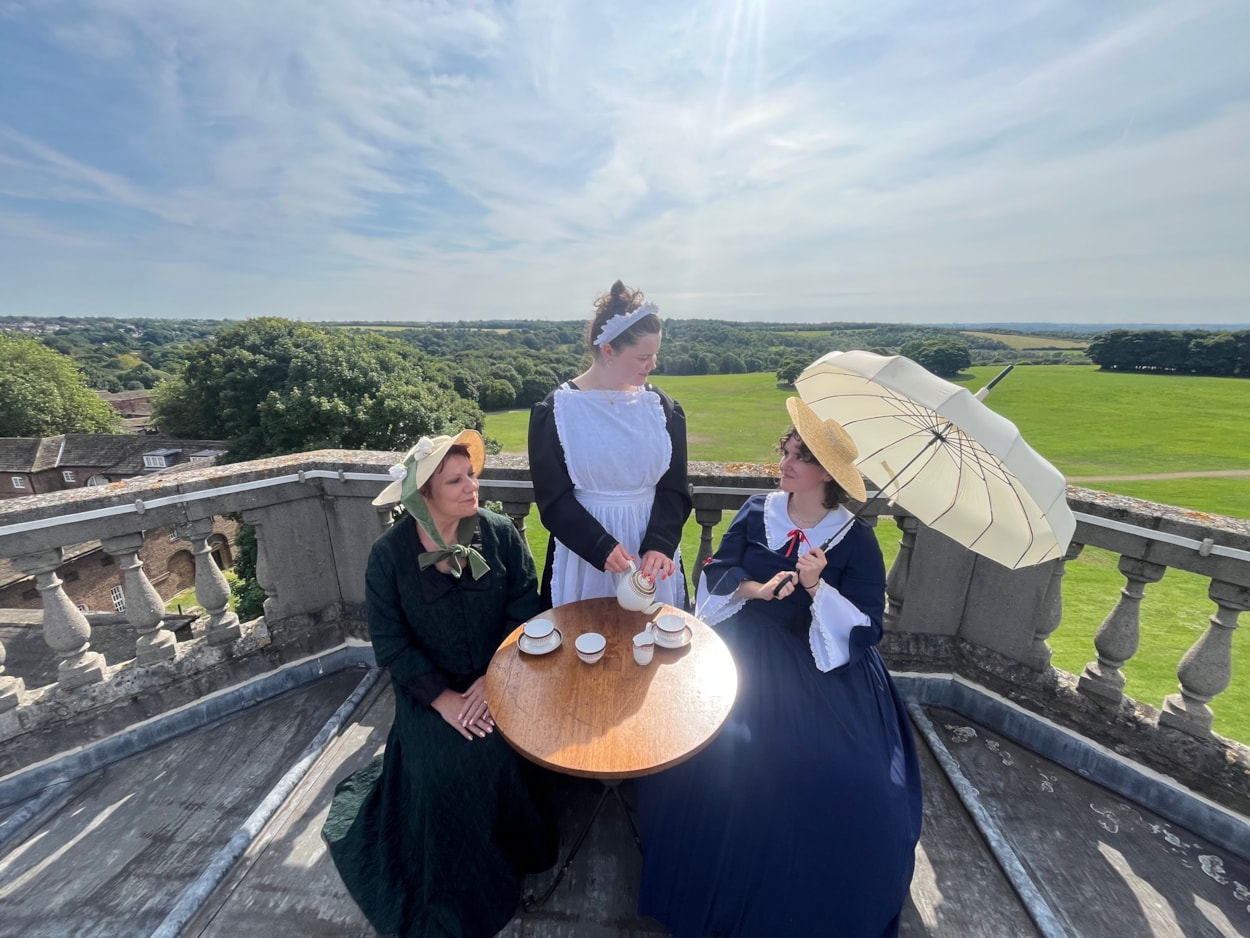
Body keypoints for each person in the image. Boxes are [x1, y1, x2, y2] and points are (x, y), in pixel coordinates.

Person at [635, 398, 923, 938]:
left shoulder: (854, 539)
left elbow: (866, 624)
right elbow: (717, 569)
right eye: (786, 452)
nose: (785, 465)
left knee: (842, 776)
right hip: (746, 645)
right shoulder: (755, 510)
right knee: (715, 748)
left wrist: (817, 586)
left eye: (800, 458)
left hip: (824, 667)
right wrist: (758, 589)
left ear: (828, 476)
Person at [322, 429, 556, 938]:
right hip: (429, 695)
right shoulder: (387, 557)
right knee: (445, 769)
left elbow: (526, 611)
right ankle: (462, 891)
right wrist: (446, 700)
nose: (473, 486)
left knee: (504, 751)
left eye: (471, 473)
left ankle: (517, 851)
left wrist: (492, 682)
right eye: (456, 480)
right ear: (421, 497)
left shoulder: (498, 532)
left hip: (501, 678)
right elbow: (391, 644)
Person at [528, 280, 692, 609]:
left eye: (655, 354)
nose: (653, 364)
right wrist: (599, 546)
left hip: (650, 555)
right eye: (644, 356)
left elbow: (674, 488)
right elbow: (552, 498)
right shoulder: (557, 411)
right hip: (583, 551)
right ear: (608, 352)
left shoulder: (662, 409)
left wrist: (660, 544)